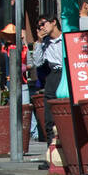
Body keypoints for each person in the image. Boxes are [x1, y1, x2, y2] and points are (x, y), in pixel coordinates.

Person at [31, 14, 63, 142]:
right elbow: (37, 62)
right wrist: (38, 42)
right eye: (39, 26)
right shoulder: (44, 43)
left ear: (53, 22)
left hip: (66, 73)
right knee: (49, 115)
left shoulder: (65, 38)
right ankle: (51, 145)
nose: (42, 28)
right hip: (53, 75)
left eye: (43, 24)